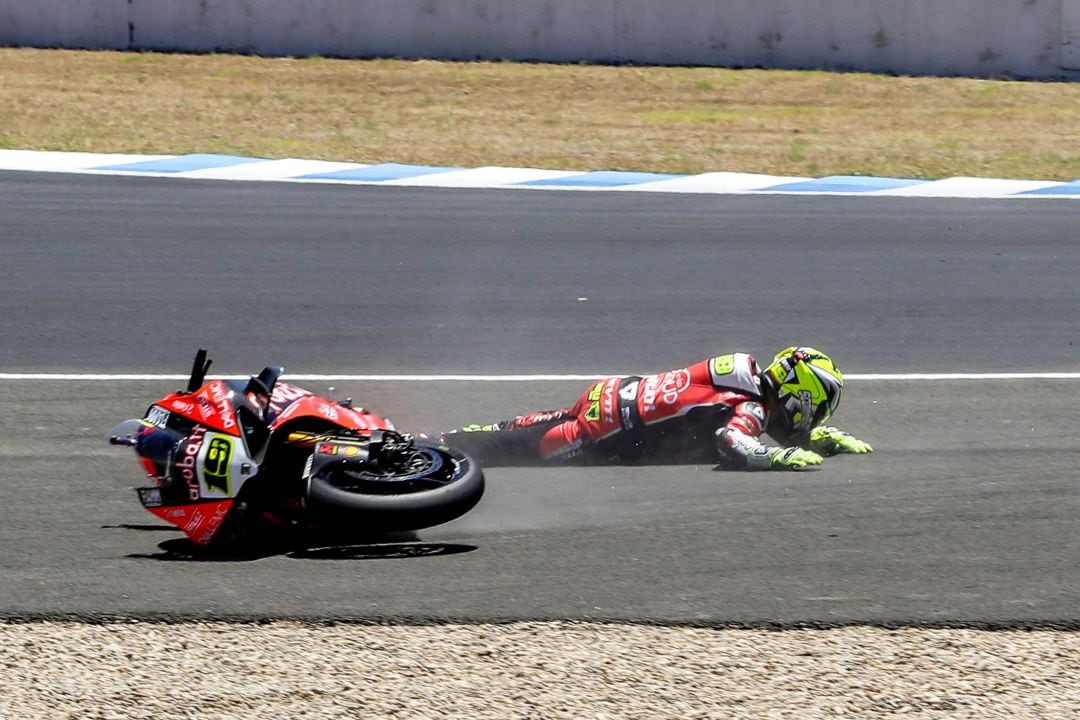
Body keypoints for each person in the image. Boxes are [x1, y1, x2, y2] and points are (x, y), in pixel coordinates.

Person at [437, 346, 873, 469]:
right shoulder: (752, 406)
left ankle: (449, 438)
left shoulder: (740, 370)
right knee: (508, 453)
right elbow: (734, 440)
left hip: (612, 393)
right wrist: (778, 456)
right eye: (818, 405)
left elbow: (747, 419)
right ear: (800, 393)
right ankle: (432, 451)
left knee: (522, 426)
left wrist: (818, 439)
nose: (815, 414)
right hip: (603, 434)